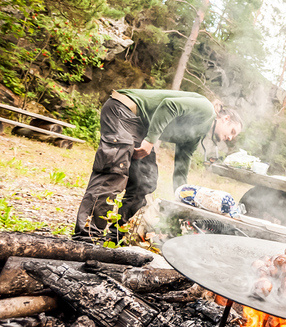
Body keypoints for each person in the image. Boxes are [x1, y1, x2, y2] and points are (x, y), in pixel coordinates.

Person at [74, 89, 243, 241]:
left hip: (138, 127)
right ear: (225, 119)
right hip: (124, 111)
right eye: (232, 131)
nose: (230, 138)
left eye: (233, 137)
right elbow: (169, 105)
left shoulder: (196, 134)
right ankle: (87, 236)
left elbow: (182, 165)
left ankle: (116, 235)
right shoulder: (206, 109)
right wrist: (149, 141)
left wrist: (183, 196)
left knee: (145, 182)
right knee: (113, 171)